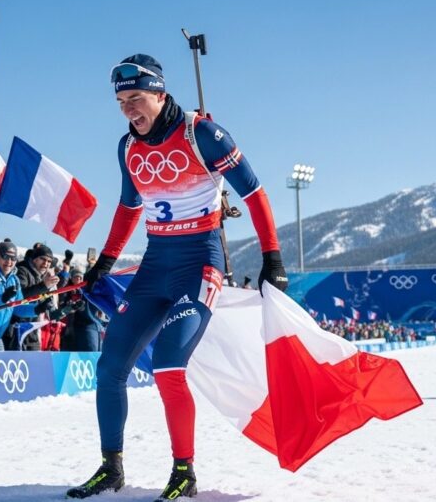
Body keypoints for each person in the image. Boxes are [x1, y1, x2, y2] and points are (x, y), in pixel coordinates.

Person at [67, 54, 287, 500]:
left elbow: (254, 191)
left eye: (137, 98)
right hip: (154, 266)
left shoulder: (201, 132)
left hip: (199, 265)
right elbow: (130, 207)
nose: (129, 109)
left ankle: (183, 471)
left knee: (169, 366)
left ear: (160, 93)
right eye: (122, 101)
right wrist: (105, 262)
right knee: (110, 368)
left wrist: (273, 258)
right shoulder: (127, 147)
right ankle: (111, 467)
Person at [11, 244, 61, 351]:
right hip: (17, 327)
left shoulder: (42, 276)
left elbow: (42, 299)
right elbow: (21, 296)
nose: (46, 264)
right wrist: (43, 286)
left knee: (35, 362)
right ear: (34, 259)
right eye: (43, 259)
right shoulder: (22, 270)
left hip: (33, 327)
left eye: (49, 261)